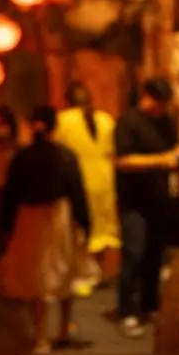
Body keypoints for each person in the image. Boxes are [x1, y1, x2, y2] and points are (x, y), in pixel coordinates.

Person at [0, 105, 92, 354]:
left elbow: (10, 195)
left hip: (28, 219)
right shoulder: (65, 155)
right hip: (59, 216)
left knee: (35, 278)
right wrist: (85, 223)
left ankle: (40, 335)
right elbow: (77, 192)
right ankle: (64, 328)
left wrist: (6, 227)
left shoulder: (21, 157)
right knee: (63, 272)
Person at [113, 78, 179, 338]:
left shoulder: (166, 121)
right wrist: (161, 160)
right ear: (147, 97)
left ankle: (150, 306)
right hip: (133, 201)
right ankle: (126, 310)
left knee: (155, 256)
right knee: (134, 253)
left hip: (159, 198)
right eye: (159, 104)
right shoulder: (128, 122)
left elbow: (174, 148)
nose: (162, 109)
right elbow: (123, 161)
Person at [53, 82, 120, 295]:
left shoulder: (62, 121)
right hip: (104, 178)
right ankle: (99, 272)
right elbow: (112, 152)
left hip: (79, 179)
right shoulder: (105, 119)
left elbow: (59, 154)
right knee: (102, 228)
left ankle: (83, 275)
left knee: (81, 228)